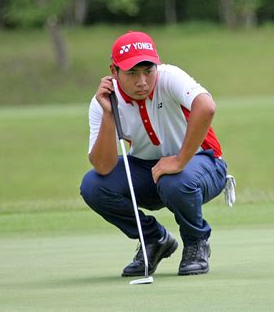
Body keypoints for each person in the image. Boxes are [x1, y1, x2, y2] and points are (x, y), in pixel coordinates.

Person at [80, 31, 230, 277]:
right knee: (92, 185)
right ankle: (154, 239)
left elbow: (207, 106)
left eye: (148, 71)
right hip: (148, 170)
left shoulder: (170, 77)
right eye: (132, 73)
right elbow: (103, 166)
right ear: (114, 71)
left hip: (204, 163)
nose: (142, 81)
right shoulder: (103, 102)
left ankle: (196, 243)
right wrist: (109, 115)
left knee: (175, 180)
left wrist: (180, 160)